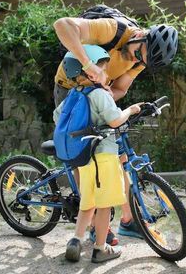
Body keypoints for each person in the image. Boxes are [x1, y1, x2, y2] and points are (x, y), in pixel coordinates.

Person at [53, 16, 178, 239]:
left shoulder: (140, 60)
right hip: (71, 92)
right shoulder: (113, 30)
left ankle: (129, 220)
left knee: (119, 157)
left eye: (143, 61)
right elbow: (62, 26)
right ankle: (92, 226)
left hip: (99, 95)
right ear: (140, 36)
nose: (137, 60)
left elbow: (120, 88)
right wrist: (88, 65)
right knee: (83, 158)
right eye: (139, 53)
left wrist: (110, 95)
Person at [54, 45, 144, 263]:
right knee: (105, 204)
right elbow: (114, 120)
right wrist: (130, 110)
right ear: (89, 72)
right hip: (104, 155)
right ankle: (100, 248)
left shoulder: (72, 95)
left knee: (88, 201)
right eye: (103, 69)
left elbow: (58, 118)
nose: (106, 73)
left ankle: (76, 239)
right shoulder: (99, 94)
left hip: (84, 158)